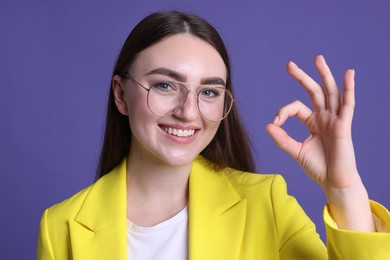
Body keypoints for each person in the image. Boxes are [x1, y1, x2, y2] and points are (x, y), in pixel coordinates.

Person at [37, 11, 390, 259]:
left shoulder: (266, 203)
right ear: (120, 94)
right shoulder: (61, 226)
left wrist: (343, 187)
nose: (188, 111)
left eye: (208, 92)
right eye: (165, 85)